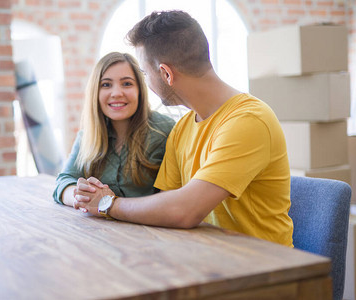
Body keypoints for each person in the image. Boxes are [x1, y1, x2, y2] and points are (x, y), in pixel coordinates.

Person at [73, 11, 294, 247]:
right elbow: (165, 205)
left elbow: (184, 211)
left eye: (146, 74)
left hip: (265, 270)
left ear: (166, 74)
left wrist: (109, 204)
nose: (147, 82)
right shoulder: (183, 128)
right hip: (205, 259)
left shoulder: (248, 121)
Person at [53, 52, 175, 207]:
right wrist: (79, 196)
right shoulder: (87, 136)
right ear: (95, 93)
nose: (116, 93)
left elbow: (172, 198)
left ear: (140, 90)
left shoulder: (165, 131)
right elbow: (63, 181)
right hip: (99, 229)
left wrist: (107, 204)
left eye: (127, 84)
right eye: (106, 85)